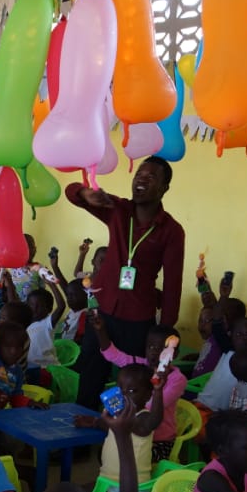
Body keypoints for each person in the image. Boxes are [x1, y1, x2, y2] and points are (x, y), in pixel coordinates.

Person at [66, 156, 186, 411]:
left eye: (151, 177)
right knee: (90, 378)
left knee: (134, 386)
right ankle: (82, 430)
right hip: (101, 312)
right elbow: (71, 192)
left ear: (164, 188)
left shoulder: (172, 231)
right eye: (139, 175)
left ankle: (126, 432)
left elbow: (173, 284)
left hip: (138, 320)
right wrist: (86, 194)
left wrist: (165, 330)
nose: (141, 180)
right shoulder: (118, 210)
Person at [89, 316, 186, 461]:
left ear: (175, 354)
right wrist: (101, 331)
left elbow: (149, 407)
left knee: (126, 457)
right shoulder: (140, 365)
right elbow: (112, 355)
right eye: (150, 347)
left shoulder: (177, 380)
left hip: (159, 441)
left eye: (161, 349)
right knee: (105, 452)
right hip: (133, 431)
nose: (154, 352)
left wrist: (118, 406)